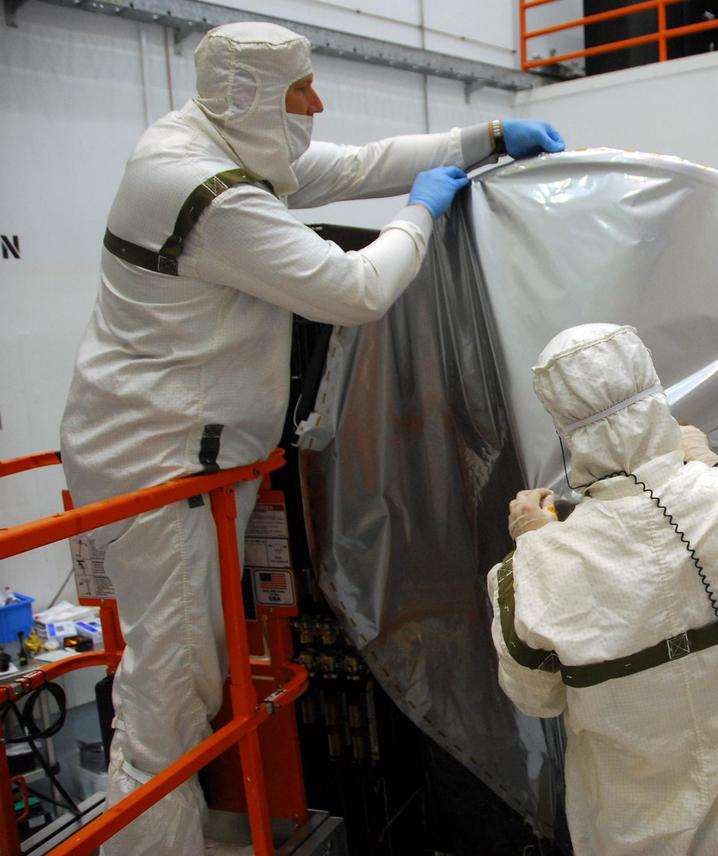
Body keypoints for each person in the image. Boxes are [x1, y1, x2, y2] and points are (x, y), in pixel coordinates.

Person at [58, 21, 564, 854]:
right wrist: (421, 214)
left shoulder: (205, 144)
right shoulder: (210, 195)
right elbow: (355, 289)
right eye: (302, 90)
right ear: (249, 97)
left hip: (185, 455)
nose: (317, 103)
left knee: (181, 675)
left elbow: (352, 164)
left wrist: (488, 136)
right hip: (166, 467)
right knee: (173, 692)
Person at [486, 323, 718, 855]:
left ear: (566, 430)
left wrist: (535, 545)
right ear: (657, 396)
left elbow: (536, 698)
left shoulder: (535, 572)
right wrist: (714, 468)